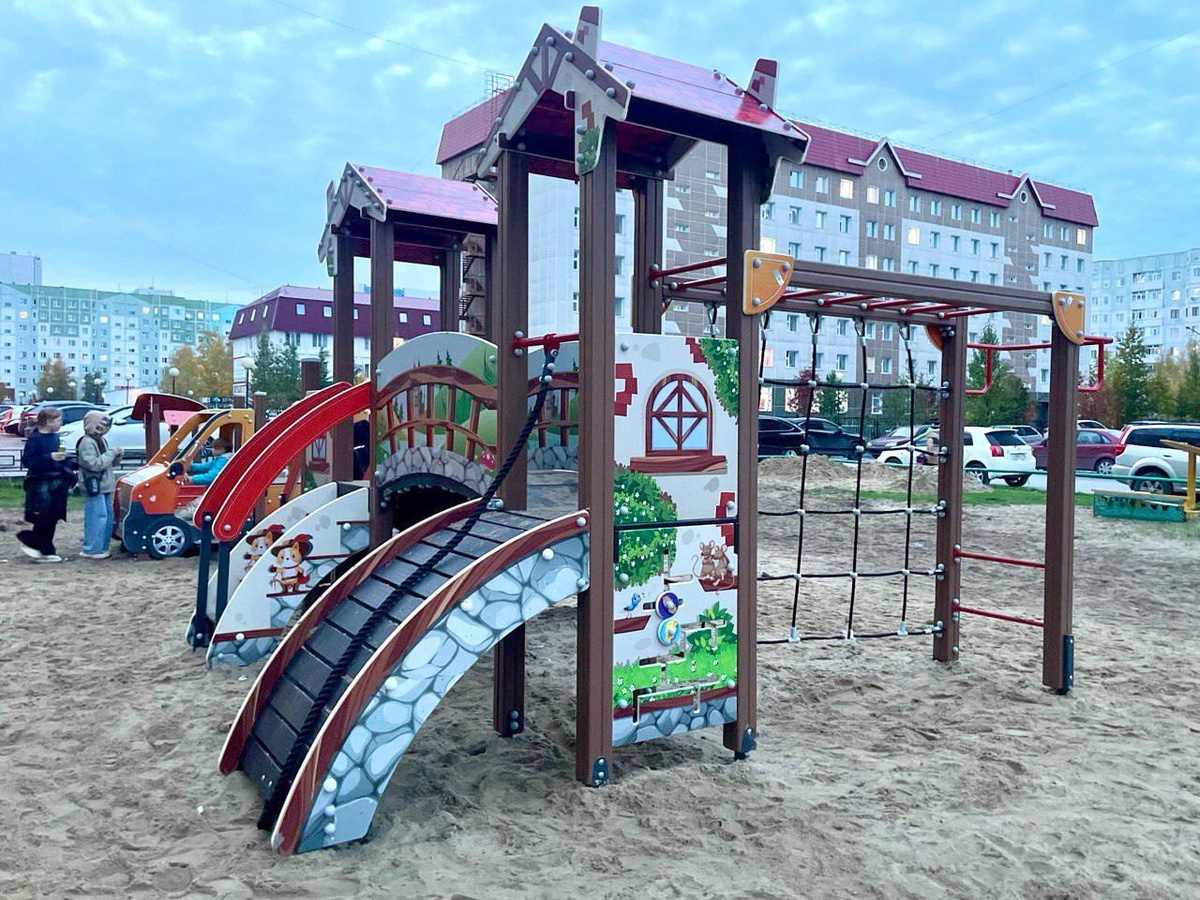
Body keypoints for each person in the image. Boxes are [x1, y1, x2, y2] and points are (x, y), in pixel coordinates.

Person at [18, 408, 77, 562]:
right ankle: (42, 546)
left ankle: (40, 545)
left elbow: (58, 458)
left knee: (54, 515)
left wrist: (68, 461)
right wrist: (49, 457)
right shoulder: (35, 439)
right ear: (49, 421)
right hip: (40, 482)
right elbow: (28, 461)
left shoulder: (55, 437)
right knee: (43, 515)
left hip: (57, 482)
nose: (61, 423)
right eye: (58, 420)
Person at [76, 411, 123, 560]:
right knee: (97, 517)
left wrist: (117, 456)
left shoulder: (101, 440)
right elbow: (94, 464)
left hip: (104, 485)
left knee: (107, 517)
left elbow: (108, 463)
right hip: (94, 486)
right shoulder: (87, 442)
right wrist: (112, 454)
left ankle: (101, 547)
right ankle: (92, 549)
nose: (104, 429)